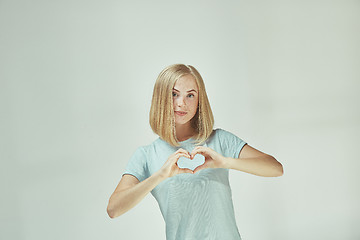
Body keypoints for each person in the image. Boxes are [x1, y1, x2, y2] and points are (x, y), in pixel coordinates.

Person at [107, 64, 284, 240]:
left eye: (190, 95)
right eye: (174, 94)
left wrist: (225, 162)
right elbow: (114, 209)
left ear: (200, 100)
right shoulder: (146, 155)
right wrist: (160, 175)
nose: (181, 103)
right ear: (161, 97)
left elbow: (275, 168)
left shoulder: (219, 140)